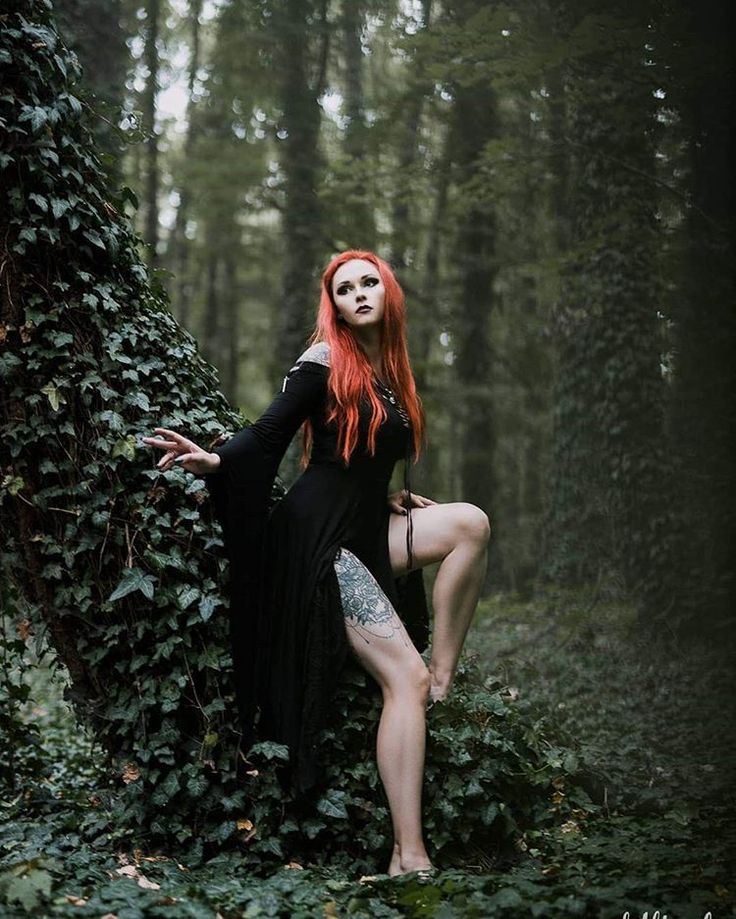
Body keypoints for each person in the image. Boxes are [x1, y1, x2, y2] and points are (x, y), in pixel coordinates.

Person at [142, 249, 490, 877]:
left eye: (367, 283)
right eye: (343, 289)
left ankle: (444, 673)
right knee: (400, 682)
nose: (357, 294)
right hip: (318, 541)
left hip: (364, 525)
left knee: (470, 523)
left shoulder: (391, 370)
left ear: (388, 292)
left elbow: (355, 453)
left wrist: (384, 494)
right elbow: (270, 435)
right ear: (332, 306)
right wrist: (217, 460)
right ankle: (408, 855)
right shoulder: (324, 358)